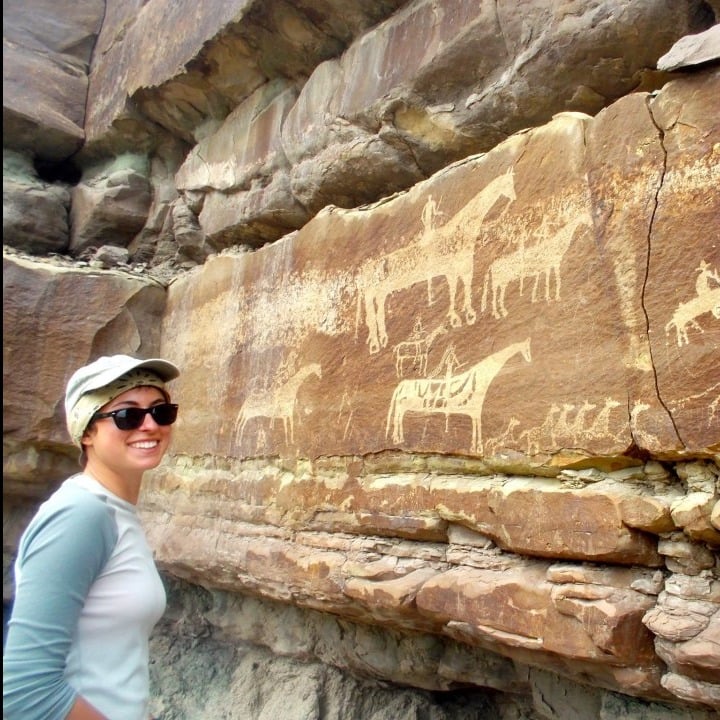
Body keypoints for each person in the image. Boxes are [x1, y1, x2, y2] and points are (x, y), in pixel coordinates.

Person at [3, 354, 180, 720]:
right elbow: (24, 690)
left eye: (161, 411)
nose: (149, 425)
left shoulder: (115, 513)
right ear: (87, 432)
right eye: (127, 415)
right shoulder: (81, 515)